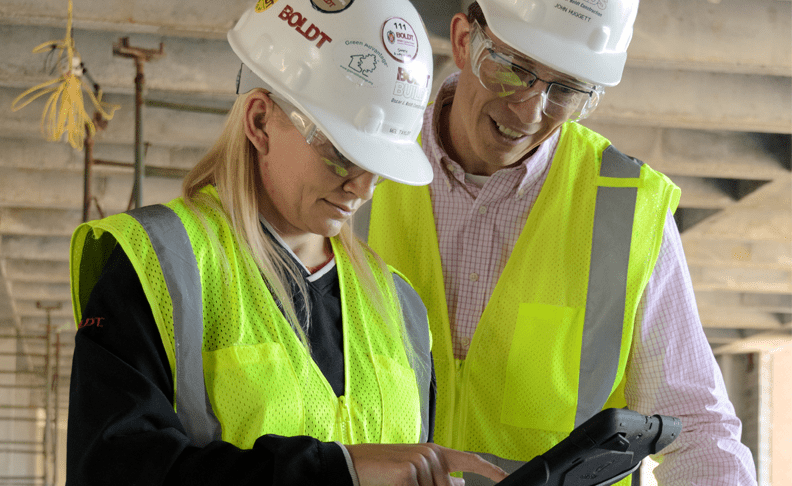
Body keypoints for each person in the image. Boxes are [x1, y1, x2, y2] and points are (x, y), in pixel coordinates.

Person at [65, 1, 509, 485]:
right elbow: (112, 471)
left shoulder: (399, 307)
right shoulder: (157, 265)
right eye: (342, 155)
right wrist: (336, 472)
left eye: (379, 165)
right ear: (259, 122)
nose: (362, 188)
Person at [363, 0, 758, 484]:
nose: (530, 110)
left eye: (567, 89)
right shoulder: (361, 160)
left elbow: (697, 430)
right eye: (513, 70)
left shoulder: (625, 209)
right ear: (464, 41)